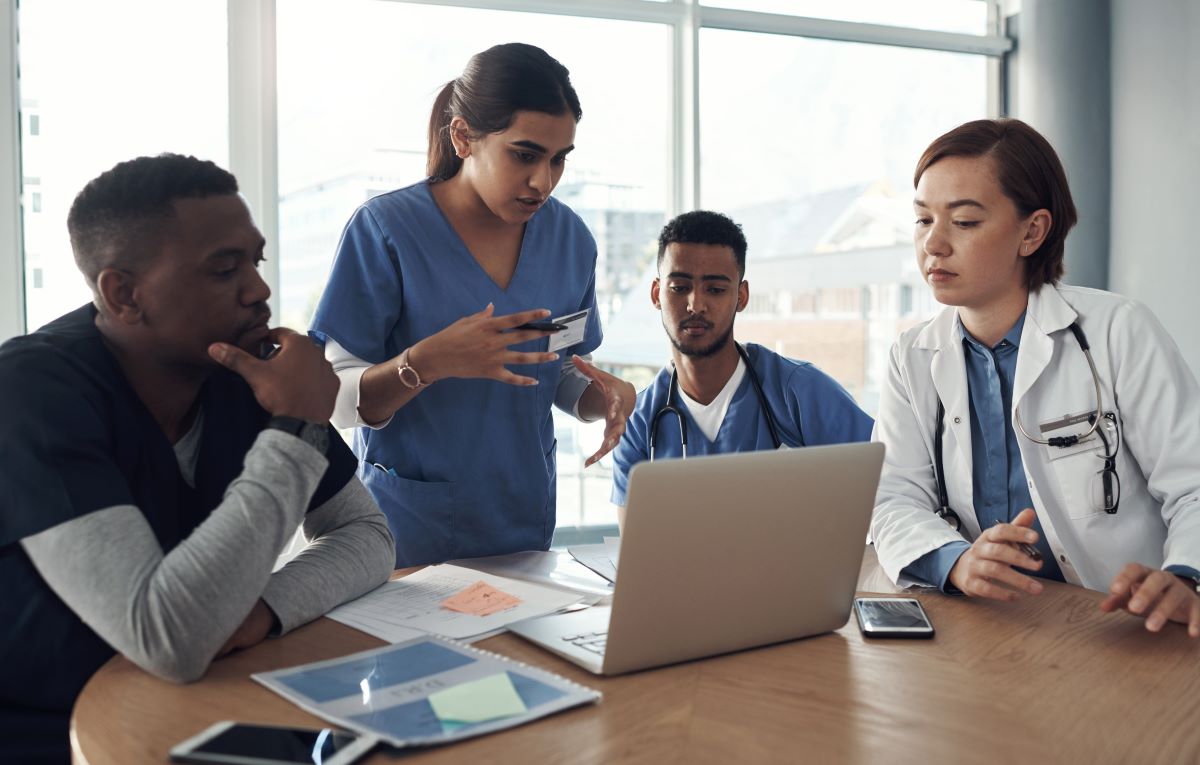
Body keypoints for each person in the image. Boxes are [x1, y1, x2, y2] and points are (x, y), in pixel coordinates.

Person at [0, 154, 396, 763]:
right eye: (223, 269)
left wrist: (261, 611)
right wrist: (296, 425)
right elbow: (168, 637)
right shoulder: (34, 391)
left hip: (210, 701)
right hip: (54, 730)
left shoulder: (241, 372)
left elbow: (366, 533)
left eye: (256, 261)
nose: (259, 290)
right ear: (124, 294)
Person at [871, 118, 1200, 637]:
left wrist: (1188, 575)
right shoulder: (911, 356)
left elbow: (1194, 483)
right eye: (922, 220)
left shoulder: (1118, 330)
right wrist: (954, 561)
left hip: (1123, 625)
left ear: (1033, 231)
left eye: (964, 222)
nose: (933, 245)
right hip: (993, 627)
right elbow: (892, 498)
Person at [310, 43, 635, 567]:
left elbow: (556, 369)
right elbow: (332, 400)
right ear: (463, 137)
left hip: (524, 524)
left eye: (558, 160)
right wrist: (427, 363)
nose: (543, 181)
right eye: (524, 155)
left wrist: (604, 398)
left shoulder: (571, 238)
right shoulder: (386, 231)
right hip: (409, 531)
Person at [610, 210, 875, 514]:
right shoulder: (639, 421)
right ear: (657, 294)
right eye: (679, 288)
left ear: (742, 296)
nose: (696, 304)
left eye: (716, 289)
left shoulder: (799, 391)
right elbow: (637, 550)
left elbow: (889, 486)